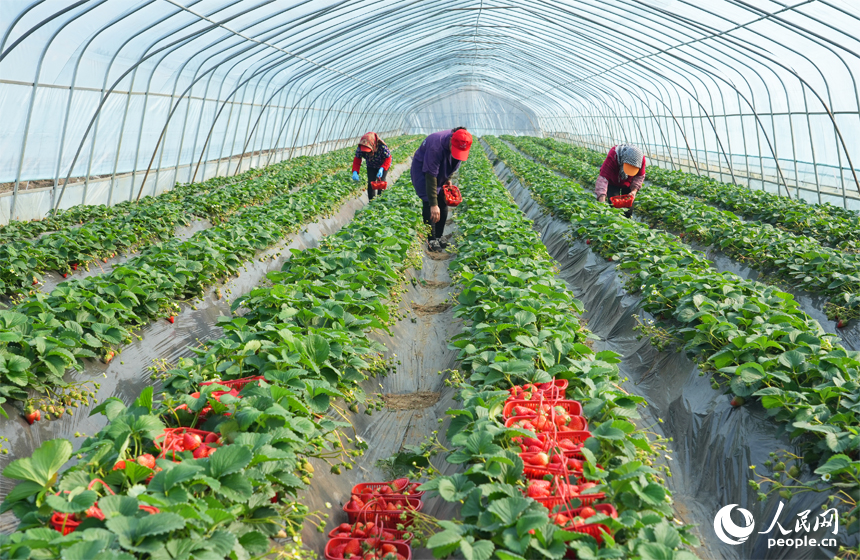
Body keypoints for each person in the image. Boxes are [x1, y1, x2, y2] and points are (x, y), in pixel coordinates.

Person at [411, 127, 472, 251]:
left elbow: (455, 163)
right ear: (451, 141)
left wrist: (447, 178)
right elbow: (431, 175)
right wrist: (434, 204)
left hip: (441, 165)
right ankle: (431, 239)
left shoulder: (461, 143)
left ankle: (439, 236)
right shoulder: (436, 146)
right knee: (429, 202)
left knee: (443, 200)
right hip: (423, 170)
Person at [595, 144, 646, 218]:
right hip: (613, 182)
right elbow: (603, 178)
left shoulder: (640, 160)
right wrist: (602, 199)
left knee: (629, 207)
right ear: (623, 161)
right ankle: (614, 222)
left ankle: (627, 223)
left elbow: (639, 177)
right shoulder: (614, 155)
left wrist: (634, 191)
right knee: (613, 204)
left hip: (629, 183)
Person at [351, 132, 392, 200]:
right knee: (371, 183)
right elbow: (357, 160)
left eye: (368, 151)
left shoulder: (382, 147)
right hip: (371, 165)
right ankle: (372, 202)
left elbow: (388, 159)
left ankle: (381, 200)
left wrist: (382, 168)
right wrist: (355, 171)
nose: (367, 153)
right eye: (365, 152)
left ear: (373, 145)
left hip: (383, 164)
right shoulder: (360, 148)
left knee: (381, 182)